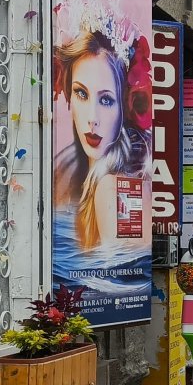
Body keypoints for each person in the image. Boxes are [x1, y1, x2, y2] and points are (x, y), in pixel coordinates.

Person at [52, 25, 152, 251]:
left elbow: (120, 279)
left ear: (124, 108)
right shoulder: (64, 173)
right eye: (81, 93)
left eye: (106, 100)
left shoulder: (112, 186)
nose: (92, 119)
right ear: (68, 97)